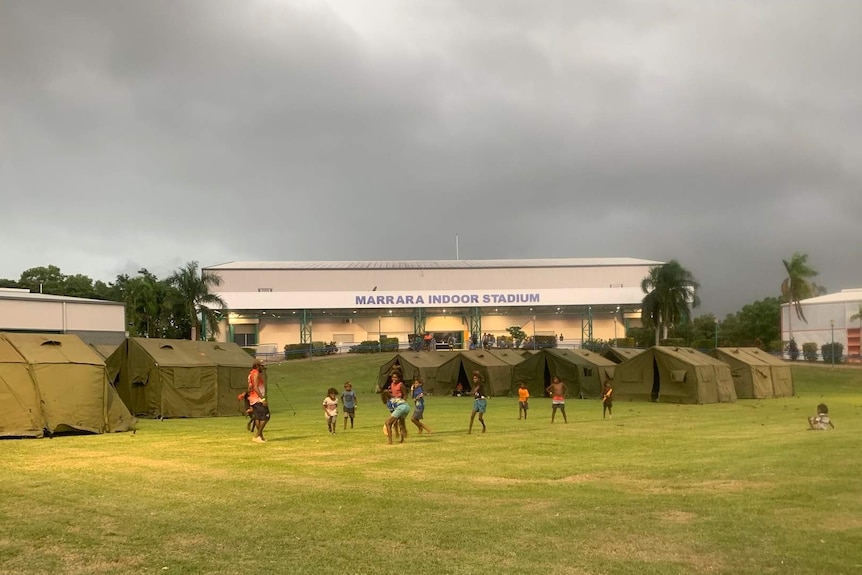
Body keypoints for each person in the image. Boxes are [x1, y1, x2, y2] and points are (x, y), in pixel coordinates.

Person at [248, 360, 270, 443]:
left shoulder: (250, 374)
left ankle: (260, 437)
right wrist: (263, 399)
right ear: (258, 366)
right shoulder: (256, 373)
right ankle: (257, 435)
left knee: (258, 418)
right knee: (266, 417)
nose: (263, 368)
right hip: (257, 399)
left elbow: (249, 387)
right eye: (262, 366)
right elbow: (256, 387)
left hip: (252, 398)